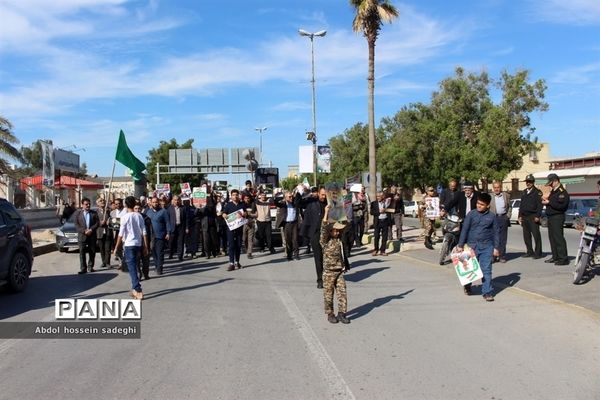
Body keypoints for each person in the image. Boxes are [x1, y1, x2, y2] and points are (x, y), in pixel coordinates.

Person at [456, 192, 500, 301]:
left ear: (488, 206)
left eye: (482, 204)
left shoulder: (492, 217)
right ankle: (467, 286)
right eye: (478, 203)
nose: (479, 206)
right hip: (471, 246)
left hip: (486, 246)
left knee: (486, 269)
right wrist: (461, 245)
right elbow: (465, 229)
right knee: (469, 269)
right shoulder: (471, 214)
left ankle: (487, 292)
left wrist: (496, 248)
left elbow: (496, 233)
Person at [113, 196, 149, 300]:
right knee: (134, 267)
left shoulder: (125, 217)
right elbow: (144, 232)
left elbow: (121, 234)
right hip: (138, 244)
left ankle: (138, 290)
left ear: (125, 205)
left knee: (132, 268)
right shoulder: (139, 216)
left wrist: (116, 247)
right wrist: (146, 246)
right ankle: (134, 289)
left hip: (129, 245)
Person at [321, 205, 350, 324]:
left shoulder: (340, 240)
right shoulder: (325, 241)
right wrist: (326, 212)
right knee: (328, 295)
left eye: (339, 230)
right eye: (335, 230)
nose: (337, 232)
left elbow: (346, 225)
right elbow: (323, 228)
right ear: (330, 230)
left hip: (339, 271)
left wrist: (341, 210)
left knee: (342, 292)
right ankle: (330, 314)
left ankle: (342, 313)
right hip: (328, 272)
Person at [297, 186, 327, 288]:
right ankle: (320, 279)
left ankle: (328, 276)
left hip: (328, 233)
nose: (324, 196)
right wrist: (300, 192)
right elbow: (298, 203)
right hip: (316, 233)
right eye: (322, 194)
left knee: (327, 257)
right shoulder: (311, 202)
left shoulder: (330, 203)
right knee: (318, 257)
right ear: (318, 193)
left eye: (326, 194)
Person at [542, 173, 570, 265]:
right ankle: (555, 256)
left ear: (556, 181)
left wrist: (549, 202)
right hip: (551, 217)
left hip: (557, 217)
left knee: (558, 238)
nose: (550, 185)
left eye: (551, 183)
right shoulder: (554, 191)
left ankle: (563, 258)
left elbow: (562, 206)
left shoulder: (562, 192)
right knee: (552, 238)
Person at [518, 174, 543, 259]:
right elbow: (522, 205)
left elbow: (540, 205)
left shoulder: (537, 192)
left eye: (530, 182)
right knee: (526, 236)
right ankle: (529, 251)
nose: (528, 183)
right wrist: (520, 215)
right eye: (527, 182)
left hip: (533, 216)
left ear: (533, 182)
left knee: (536, 235)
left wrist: (537, 216)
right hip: (525, 216)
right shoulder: (524, 191)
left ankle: (538, 253)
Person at [145, 196, 171, 275]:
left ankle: (160, 268)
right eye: (153, 202)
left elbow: (167, 222)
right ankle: (157, 265)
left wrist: (168, 232)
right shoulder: (148, 212)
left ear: (158, 202)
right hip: (151, 236)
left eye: (156, 202)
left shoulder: (163, 211)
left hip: (160, 235)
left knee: (160, 252)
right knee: (153, 252)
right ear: (150, 203)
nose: (155, 204)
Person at [222, 189, 246, 270]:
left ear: (238, 195)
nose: (235, 196)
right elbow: (224, 213)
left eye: (236, 195)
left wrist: (243, 214)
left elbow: (246, 213)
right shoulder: (228, 205)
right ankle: (231, 263)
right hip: (230, 229)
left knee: (238, 246)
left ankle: (237, 262)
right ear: (231, 196)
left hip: (239, 228)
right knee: (231, 245)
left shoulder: (242, 204)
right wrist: (224, 215)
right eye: (233, 195)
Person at [74, 198, 99, 274]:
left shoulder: (94, 213)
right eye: (86, 204)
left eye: (89, 204)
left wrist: (91, 230)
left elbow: (97, 223)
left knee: (92, 252)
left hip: (91, 235)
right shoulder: (78, 214)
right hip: (82, 236)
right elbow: (76, 225)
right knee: (82, 252)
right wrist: (84, 231)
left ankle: (90, 267)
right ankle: (83, 268)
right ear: (82, 205)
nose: (88, 205)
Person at [489, 180, 512, 263]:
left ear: (501, 187)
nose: (496, 189)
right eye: (495, 187)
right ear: (493, 188)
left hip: (503, 218)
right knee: (493, 238)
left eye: (498, 187)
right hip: (493, 219)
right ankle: (493, 256)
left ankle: (502, 256)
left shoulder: (506, 195)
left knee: (503, 238)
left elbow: (509, 206)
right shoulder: (490, 196)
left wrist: (508, 216)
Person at [275, 190, 301, 261]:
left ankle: (296, 255)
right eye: (289, 197)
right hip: (287, 224)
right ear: (285, 197)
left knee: (295, 240)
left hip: (294, 223)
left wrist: (297, 192)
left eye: (291, 196)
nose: (291, 198)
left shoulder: (294, 203)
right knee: (288, 240)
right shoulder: (283, 204)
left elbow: (298, 198)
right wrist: (276, 195)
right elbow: (276, 203)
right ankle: (289, 255)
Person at [370, 191, 390, 256]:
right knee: (376, 236)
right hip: (377, 221)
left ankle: (383, 250)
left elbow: (392, 209)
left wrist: (386, 210)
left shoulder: (387, 202)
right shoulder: (373, 203)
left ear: (383, 196)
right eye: (377, 196)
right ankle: (376, 249)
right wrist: (379, 212)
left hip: (385, 221)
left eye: (379, 196)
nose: (378, 197)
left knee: (385, 237)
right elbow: (372, 212)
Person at [95, 198, 112, 268]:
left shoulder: (108, 211)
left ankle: (108, 262)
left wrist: (109, 221)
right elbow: (94, 222)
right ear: (97, 203)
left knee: (107, 248)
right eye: (100, 201)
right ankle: (103, 262)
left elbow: (113, 220)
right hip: (99, 232)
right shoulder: (95, 212)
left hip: (107, 232)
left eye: (103, 201)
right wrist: (99, 223)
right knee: (101, 248)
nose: (102, 202)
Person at [168, 195, 186, 261]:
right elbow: (168, 219)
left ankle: (180, 255)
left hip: (181, 227)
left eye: (178, 200)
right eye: (175, 200)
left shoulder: (183, 208)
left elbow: (186, 219)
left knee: (180, 241)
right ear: (173, 200)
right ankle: (171, 253)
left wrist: (186, 227)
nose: (176, 201)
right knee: (171, 241)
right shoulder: (170, 208)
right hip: (172, 227)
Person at [242, 194, 257, 259]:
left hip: (251, 223)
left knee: (250, 239)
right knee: (244, 239)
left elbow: (256, 215)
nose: (247, 199)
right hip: (243, 223)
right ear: (243, 199)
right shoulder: (241, 205)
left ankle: (249, 253)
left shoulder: (253, 204)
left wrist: (250, 215)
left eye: (248, 198)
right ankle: (247, 249)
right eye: (245, 198)